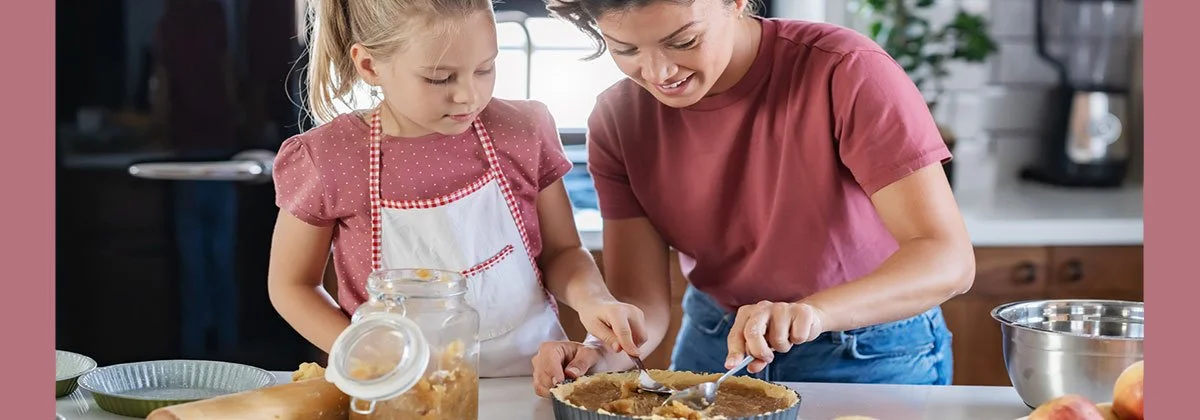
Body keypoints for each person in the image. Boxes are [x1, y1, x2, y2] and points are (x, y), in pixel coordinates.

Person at [532, 0, 976, 395]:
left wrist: (811, 313)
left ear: (736, 3)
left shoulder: (845, 69)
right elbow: (641, 303)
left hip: (866, 351)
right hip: (713, 343)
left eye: (683, 41)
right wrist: (601, 354)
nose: (659, 72)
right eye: (626, 50)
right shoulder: (618, 118)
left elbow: (946, 259)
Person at [267, 0, 647, 378]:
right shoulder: (331, 158)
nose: (469, 95)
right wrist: (364, 350)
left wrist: (594, 301)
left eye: (485, 68)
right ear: (369, 65)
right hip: (401, 389)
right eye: (440, 78)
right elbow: (293, 285)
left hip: (530, 380)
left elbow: (562, 252)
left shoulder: (523, 130)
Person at [151, 0, 242, 359]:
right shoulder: (215, 14)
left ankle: (193, 351)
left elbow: (162, 83)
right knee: (222, 257)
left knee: (194, 263)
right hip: (220, 151)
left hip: (187, 153)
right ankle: (230, 348)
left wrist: (158, 127)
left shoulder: (170, 20)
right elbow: (228, 73)